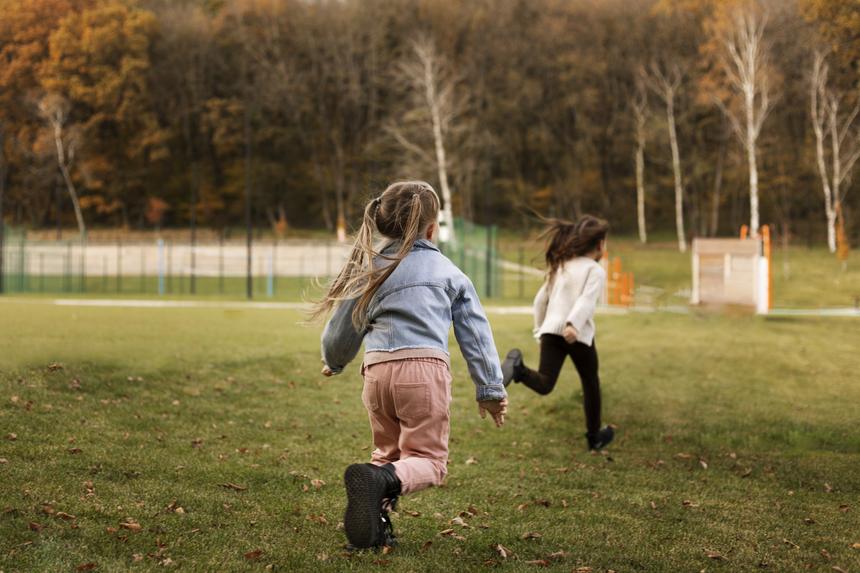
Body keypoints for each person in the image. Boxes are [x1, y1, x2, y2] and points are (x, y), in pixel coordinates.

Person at [314, 181, 508, 550]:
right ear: (432, 229)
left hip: (376, 375)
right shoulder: (448, 271)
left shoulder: (370, 269)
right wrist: (490, 390)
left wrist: (334, 362)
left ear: (383, 222)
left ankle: (374, 530)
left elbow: (342, 328)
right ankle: (377, 488)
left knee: (386, 458)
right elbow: (476, 336)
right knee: (429, 462)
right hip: (423, 372)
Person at [501, 215, 614, 451]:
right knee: (590, 381)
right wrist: (573, 324)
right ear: (600, 244)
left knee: (545, 384)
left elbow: (539, 301)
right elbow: (586, 301)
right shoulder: (595, 270)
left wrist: (539, 332)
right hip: (576, 334)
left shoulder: (562, 265)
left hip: (550, 331)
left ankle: (519, 369)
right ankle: (594, 438)